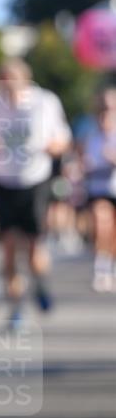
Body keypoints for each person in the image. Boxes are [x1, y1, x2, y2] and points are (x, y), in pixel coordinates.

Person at [0, 59, 71, 327]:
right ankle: (15, 305)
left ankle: (40, 283)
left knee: (33, 249)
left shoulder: (45, 102)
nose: (8, 87)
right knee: (7, 248)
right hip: (2, 181)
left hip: (34, 180)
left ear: (25, 80)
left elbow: (62, 139)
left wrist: (48, 147)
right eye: (3, 81)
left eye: (12, 81)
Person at [80, 87, 116, 292]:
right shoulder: (91, 135)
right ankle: (101, 268)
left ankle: (110, 264)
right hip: (98, 188)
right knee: (102, 225)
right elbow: (82, 160)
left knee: (113, 233)